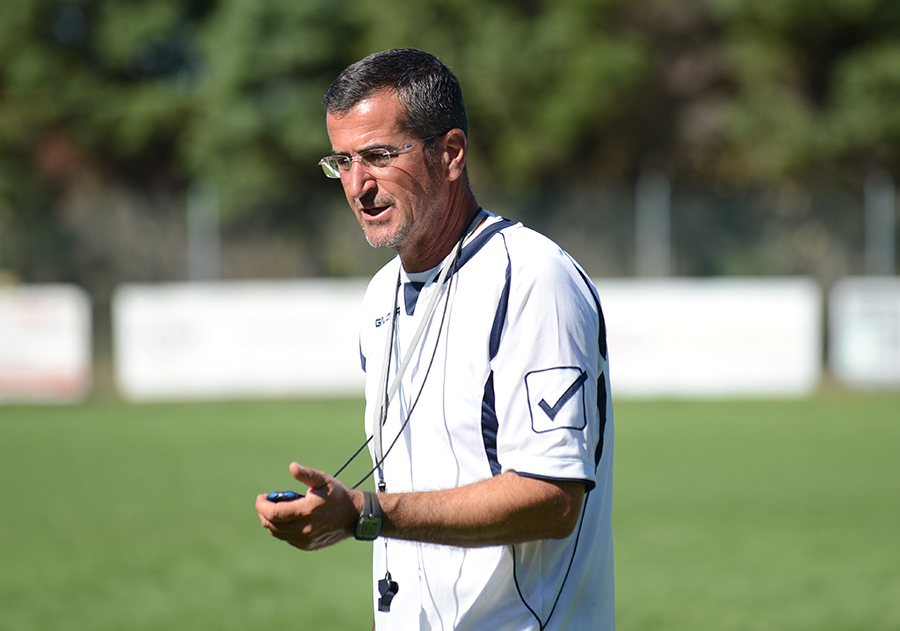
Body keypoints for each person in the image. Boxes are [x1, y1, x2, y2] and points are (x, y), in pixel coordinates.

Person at [255, 48, 615, 631]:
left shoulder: (532, 278)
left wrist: (368, 513)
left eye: (378, 156)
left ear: (450, 154)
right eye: (342, 161)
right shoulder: (381, 294)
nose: (357, 185)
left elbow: (552, 499)